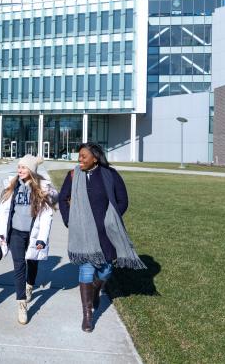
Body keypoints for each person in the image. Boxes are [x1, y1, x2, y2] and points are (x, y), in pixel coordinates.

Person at [59, 142, 146, 332]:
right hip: (82, 233)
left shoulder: (110, 175)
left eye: (83, 156)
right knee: (86, 271)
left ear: (95, 158)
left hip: (106, 234)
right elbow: (62, 198)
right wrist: (69, 219)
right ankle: (88, 315)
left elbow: (123, 200)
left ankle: (97, 289)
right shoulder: (73, 175)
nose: (79, 159)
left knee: (106, 270)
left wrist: (111, 219)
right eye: (79, 156)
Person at [0, 155, 58, 325]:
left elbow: (47, 215)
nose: (20, 170)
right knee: (19, 266)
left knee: (32, 262)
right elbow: (4, 212)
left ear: (31, 170)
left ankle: (30, 285)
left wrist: (42, 239)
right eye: (19, 167)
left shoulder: (41, 188)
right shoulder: (12, 186)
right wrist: (1, 233)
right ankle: (21, 304)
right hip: (15, 233)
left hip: (33, 234)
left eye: (23, 167)